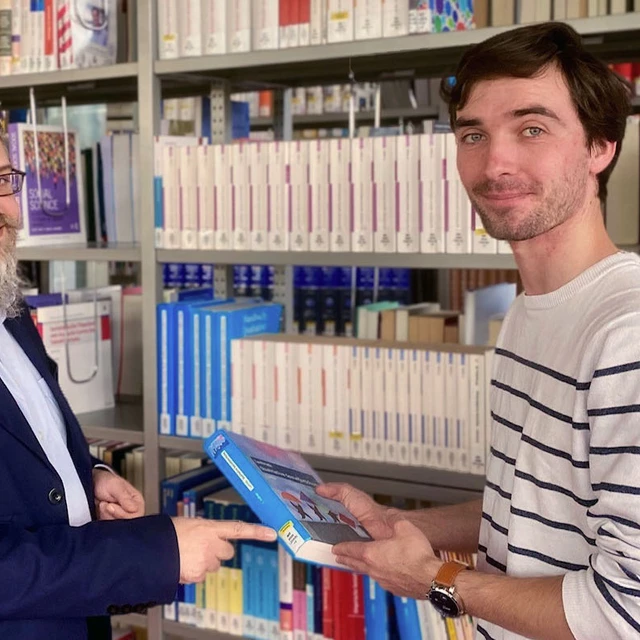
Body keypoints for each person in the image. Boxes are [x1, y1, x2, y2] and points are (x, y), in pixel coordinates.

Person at [318, 21, 640, 640]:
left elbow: (625, 612)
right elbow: (528, 508)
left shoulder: (626, 336)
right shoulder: (532, 309)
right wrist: (395, 524)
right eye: (473, 134)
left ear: (600, 147)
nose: (495, 163)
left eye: (533, 129)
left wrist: (437, 580)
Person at [0, 152, 276, 639]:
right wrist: (160, 552)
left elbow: (31, 438)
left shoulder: (10, 305)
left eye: (3, 180)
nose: (7, 209)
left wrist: (88, 478)